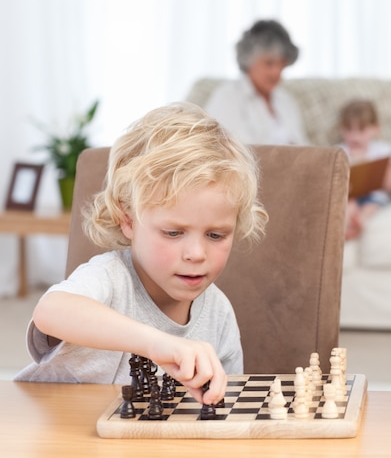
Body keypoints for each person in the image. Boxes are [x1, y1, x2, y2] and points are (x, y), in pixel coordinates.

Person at [14, 102, 269, 406]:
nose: (196, 254)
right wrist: (157, 343)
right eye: (173, 233)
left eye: (216, 235)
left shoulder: (219, 313)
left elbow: (219, 405)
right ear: (128, 220)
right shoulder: (109, 277)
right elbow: (50, 312)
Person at [204, 19, 308, 146]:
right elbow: (232, 151)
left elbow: (304, 147)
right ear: (249, 60)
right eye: (269, 63)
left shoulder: (286, 101)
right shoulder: (227, 97)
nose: (276, 72)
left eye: (282, 64)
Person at [336, 99, 391, 240]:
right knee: (347, 206)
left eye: (361, 130)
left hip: (374, 196)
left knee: (372, 206)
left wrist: (380, 166)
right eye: (349, 130)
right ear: (341, 129)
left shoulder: (382, 150)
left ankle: (360, 222)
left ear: (375, 129)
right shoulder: (339, 152)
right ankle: (347, 227)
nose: (355, 137)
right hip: (349, 197)